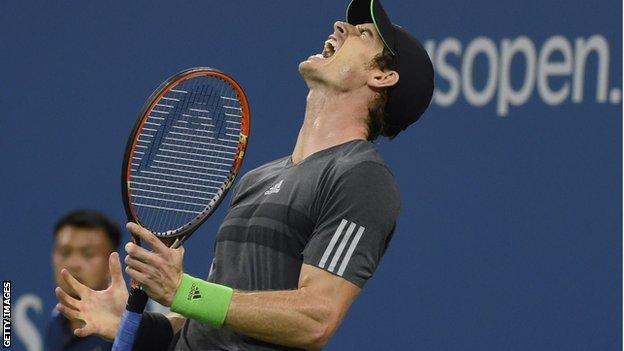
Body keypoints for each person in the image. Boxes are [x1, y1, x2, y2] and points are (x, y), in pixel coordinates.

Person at [54, 0, 434, 349]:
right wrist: (130, 325)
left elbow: (316, 318)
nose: (340, 26)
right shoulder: (257, 179)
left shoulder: (361, 176)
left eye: (363, 33)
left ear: (383, 78)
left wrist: (185, 291)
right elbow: (205, 323)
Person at [46, 210, 122, 351]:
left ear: (110, 264)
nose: (74, 264)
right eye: (65, 252)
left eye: (88, 254)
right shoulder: (55, 324)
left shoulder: (126, 329)